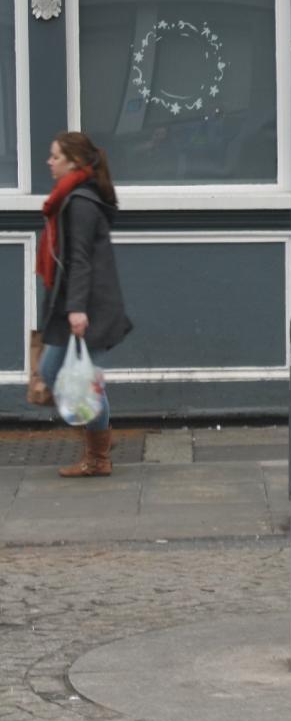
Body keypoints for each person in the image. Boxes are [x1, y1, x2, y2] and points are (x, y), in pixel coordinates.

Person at [37, 131, 132, 478]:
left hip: (87, 307)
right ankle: (99, 436)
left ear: (74, 161)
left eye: (55, 156)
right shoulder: (71, 196)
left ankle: (98, 455)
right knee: (53, 372)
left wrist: (77, 309)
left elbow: (79, 259)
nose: (49, 162)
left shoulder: (79, 201)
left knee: (86, 383)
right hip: (75, 303)